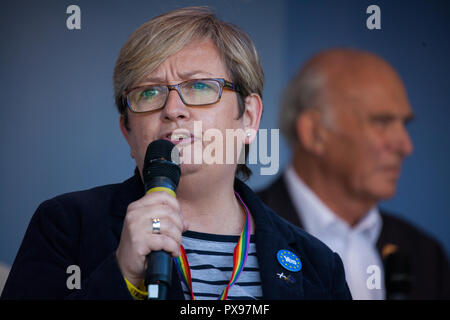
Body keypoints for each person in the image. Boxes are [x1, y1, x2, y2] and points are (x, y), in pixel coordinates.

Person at [1, 7, 351, 300]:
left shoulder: (318, 265)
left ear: (248, 117)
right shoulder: (66, 226)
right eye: (149, 93)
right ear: (128, 130)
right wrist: (121, 275)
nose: (173, 109)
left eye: (199, 86)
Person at [257, 48, 450, 299]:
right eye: (382, 122)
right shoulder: (242, 233)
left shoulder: (425, 254)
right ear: (314, 133)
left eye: (404, 124)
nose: (406, 146)